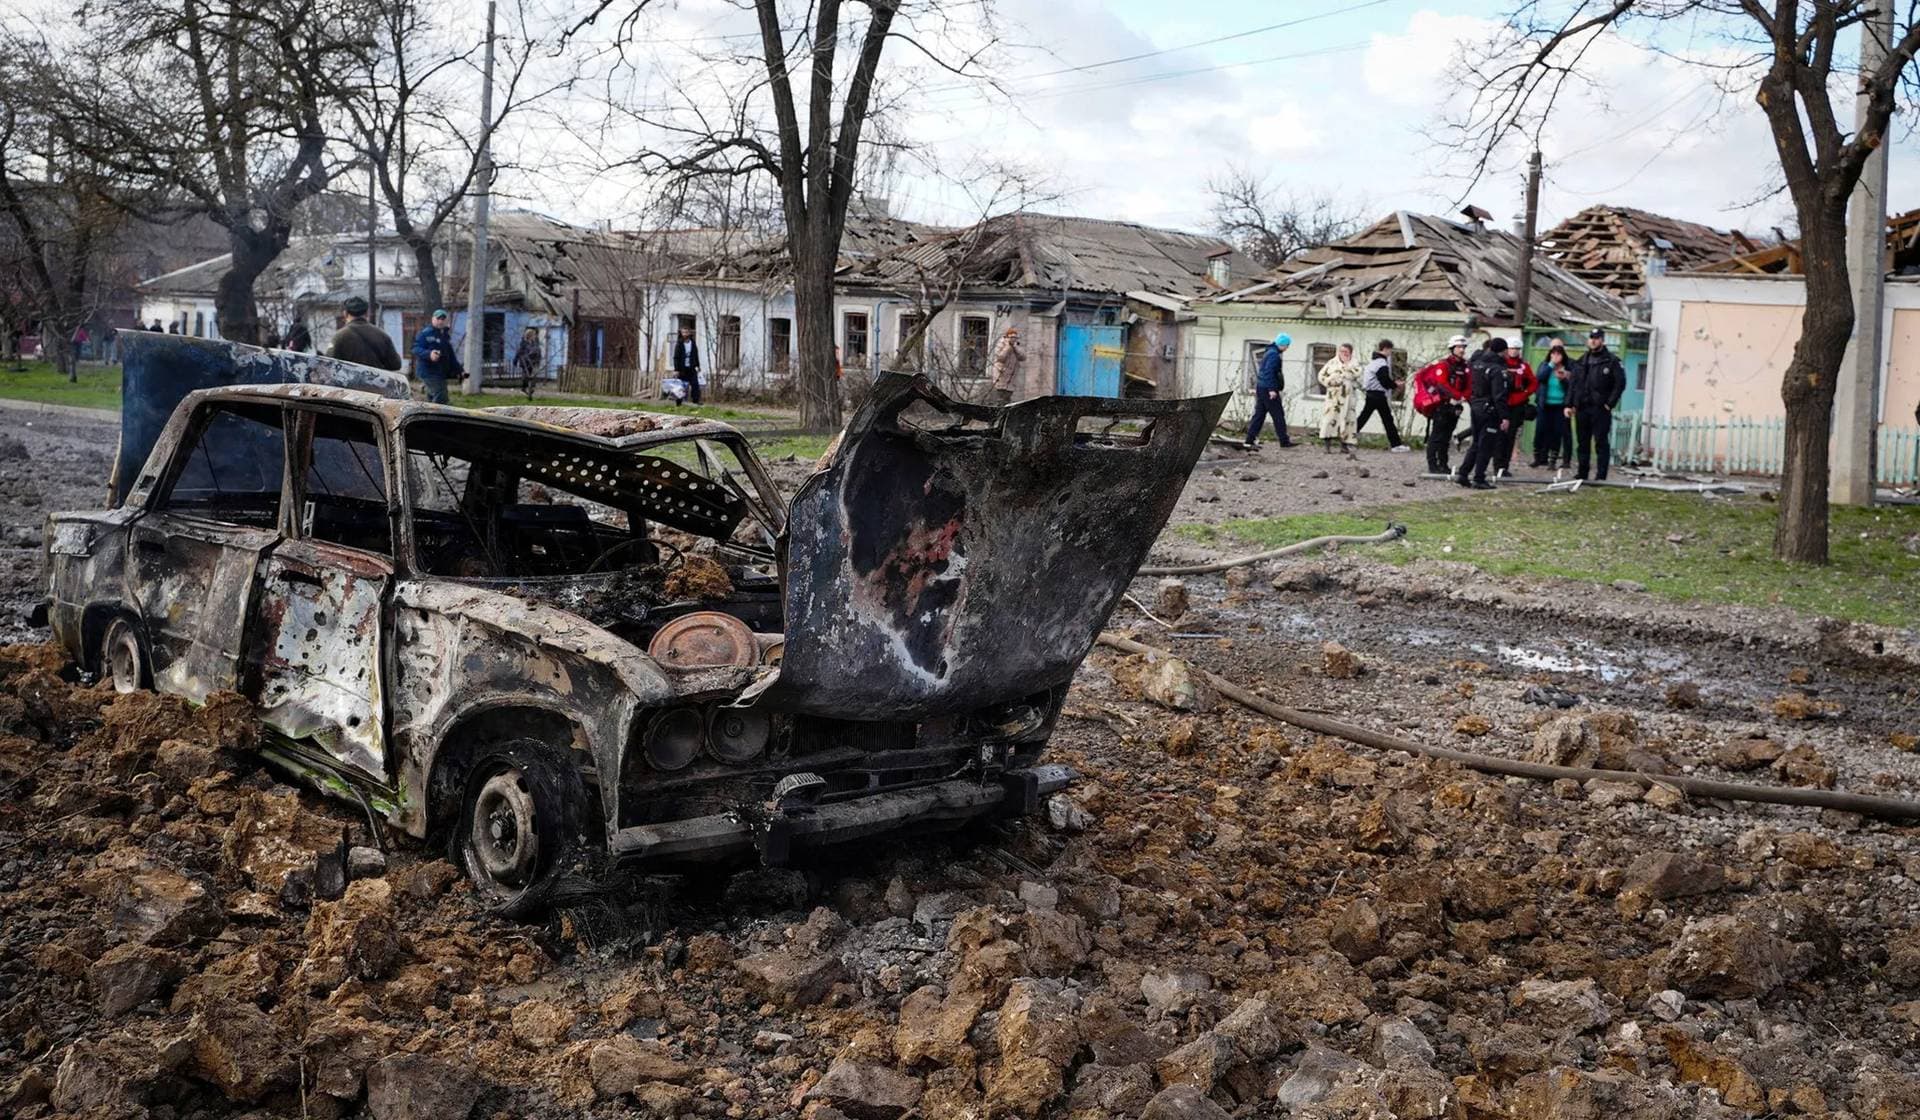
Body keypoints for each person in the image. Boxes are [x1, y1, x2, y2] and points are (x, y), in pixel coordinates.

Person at [1567, 327, 1626, 481]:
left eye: (1596, 338)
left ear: (1602, 340)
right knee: (1582, 442)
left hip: (1600, 408)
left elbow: (1620, 384)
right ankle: (1582, 472)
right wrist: (1570, 404)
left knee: (1600, 442)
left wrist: (1609, 404)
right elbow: (1574, 384)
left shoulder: (1612, 361)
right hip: (1583, 407)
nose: (1593, 341)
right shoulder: (1582, 361)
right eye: (1591, 338)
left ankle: (1601, 475)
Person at [1455, 338, 1513, 490]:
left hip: (1476, 406)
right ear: (1503, 351)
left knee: (1476, 443)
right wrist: (1505, 416)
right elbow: (1499, 395)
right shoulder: (1497, 369)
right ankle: (1479, 478)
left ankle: (1463, 473)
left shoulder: (1477, 364)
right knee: (1486, 445)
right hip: (1490, 410)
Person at [1412, 336, 1470, 475]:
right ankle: (1432, 465)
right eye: (1458, 347)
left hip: (1455, 406)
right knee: (1437, 436)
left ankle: (1443, 465)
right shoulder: (1443, 365)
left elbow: (1469, 385)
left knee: (1446, 437)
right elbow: (1442, 384)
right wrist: (1457, 396)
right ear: (1452, 349)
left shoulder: (1465, 367)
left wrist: (1463, 397)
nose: (1462, 350)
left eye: (1463, 347)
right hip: (1442, 406)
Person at [1242, 332, 1295, 449]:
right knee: (1278, 415)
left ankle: (1249, 439)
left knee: (1259, 415)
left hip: (1261, 387)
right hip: (1268, 388)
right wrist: (1272, 389)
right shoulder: (1274, 355)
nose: (1287, 348)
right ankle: (1284, 441)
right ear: (1282, 344)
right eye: (1287, 345)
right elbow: (1269, 372)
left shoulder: (1269, 352)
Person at [1357, 339, 1408, 451]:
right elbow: (1384, 380)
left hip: (1371, 394)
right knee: (1387, 419)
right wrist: (1396, 384)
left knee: (1364, 417)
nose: (1390, 353)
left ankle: (1348, 437)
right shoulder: (1381, 363)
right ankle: (1396, 444)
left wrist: (1392, 384)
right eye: (1390, 350)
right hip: (1378, 395)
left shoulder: (1373, 362)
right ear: (1385, 349)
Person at [327, 295, 402, 372]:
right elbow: (395, 365)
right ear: (367, 313)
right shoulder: (383, 335)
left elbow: (328, 365)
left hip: (349, 383)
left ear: (345, 314)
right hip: (377, 383)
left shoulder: (339, 336)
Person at [1530, 340, 1574, 469]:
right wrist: (1551, 365)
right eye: (1553, 354)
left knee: (1557, 433)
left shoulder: (1568, 368)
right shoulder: (1545, 365)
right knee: (1540, 431)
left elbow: (1571, 386)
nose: (1556, 356)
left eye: (1558, 354)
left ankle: (1553, 461)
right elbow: (1540, 378)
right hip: (1545, 404)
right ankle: (1537, 458)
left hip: (1560, 405)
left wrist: (1564, 379)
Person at [1496, 347, 1537, 476]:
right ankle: (1496, 465)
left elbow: (1533, 382)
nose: (1513, 351)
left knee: (1510, 436)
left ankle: (1504, 466)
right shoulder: (1500, 364)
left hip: (1517, 404)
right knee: (1499, 436)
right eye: (1511, 348)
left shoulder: (1524, 366)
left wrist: (1525, 393)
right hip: (1502, 403)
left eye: (1516, 349)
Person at [1317, 342, 1365, 452]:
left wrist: (1347, 369)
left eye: (1346, 352)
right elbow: (1321, 376)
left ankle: (1344, 445)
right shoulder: (1332, 363)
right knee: (1330, 419)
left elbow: (1359, 377)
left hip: (1348, 397)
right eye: (1342, 351)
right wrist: (1330, 381)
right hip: (1333, 397)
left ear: (1350, 353)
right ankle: (1327, 446)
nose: (1343, 354)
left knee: (1347, 420)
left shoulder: (1355, 364)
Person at [410, 308, 463, 404]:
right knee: (441, 396)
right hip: (428, 371)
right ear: (433, 319)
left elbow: (450, 356)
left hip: (440, 372)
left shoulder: (444, 336)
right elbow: (415, 349)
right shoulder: (425, 334)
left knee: (432, 397)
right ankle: (437, 417)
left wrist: (460, 371)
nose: (440, 321)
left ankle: (428, 416)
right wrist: (429, 354)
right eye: (438, 318)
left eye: (443, 319)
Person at [989, 326, 1024, 405]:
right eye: (1012, 337)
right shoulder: (1001, 344)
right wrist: (1008, 347)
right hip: (1001, 375)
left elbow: (1023, 357)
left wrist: (1015, 347)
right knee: (1000, 398)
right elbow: (1000, 357)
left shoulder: (1016, 346)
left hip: (1012, 377)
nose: (1014, 339)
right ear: (1007, 337)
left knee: (1007, 399)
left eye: (1015, 337)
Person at [672, 324, 703, 404]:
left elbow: (695, 355)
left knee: (695, 384)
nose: (685, 334)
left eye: (686, 332)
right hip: (682, 368)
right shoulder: (679, 344)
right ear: (681, 333)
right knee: (681, 386)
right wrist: (676, 369)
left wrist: (698, 365)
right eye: (683, 332)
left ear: (689, 333)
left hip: (691, 368)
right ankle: (679, 402)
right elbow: (676, 357)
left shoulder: (692, 343)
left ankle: (696, 401)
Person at [513, 326, 543, 401]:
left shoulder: (535, 343)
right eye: (534, 335)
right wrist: (515, 360)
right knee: (526, 376)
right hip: (525, 362)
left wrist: (538, 359)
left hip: (532, 362)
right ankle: (524, 387)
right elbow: (519, 352)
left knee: (533, 376)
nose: (535, 336)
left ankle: (530, 389)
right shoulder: (524, 343)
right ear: (530, 335)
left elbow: (538, 352)